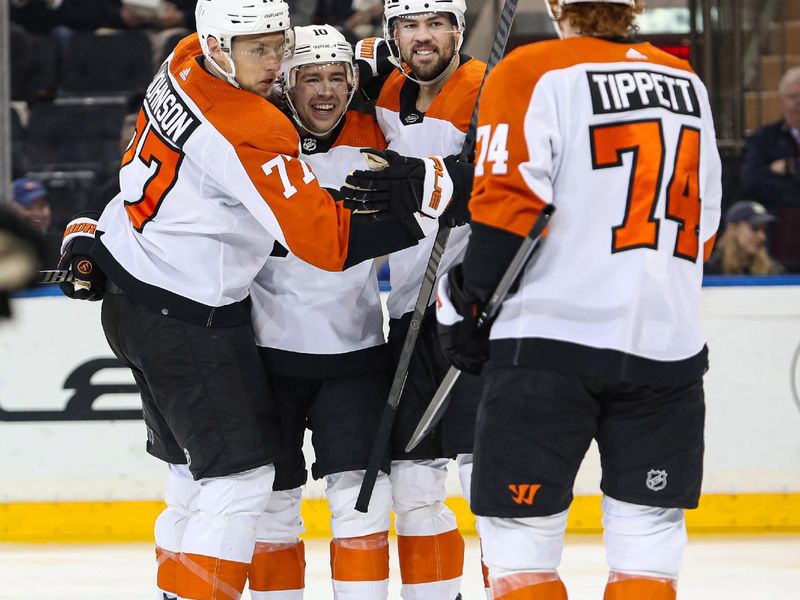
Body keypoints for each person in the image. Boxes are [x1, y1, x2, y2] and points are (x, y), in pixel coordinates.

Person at [55, 0, 457, 597]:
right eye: (263, 54)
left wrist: (92, 231)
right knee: (244, 487)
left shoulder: (183, 59)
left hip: (140, 283)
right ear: (220, 47)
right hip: (194, 317)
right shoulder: (255, 129)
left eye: (278, 46)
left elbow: (418, 73)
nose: (272, 63)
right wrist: (435, 205)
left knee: (203, 484)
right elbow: (327, 239)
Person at [436, 0, 722, 598]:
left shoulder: (530, 70)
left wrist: (467, 303)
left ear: (557, 6)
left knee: (520, 547)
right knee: (648, 541)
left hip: (548, 345)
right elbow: (705, 222)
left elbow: (511, 207)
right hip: (665, 350)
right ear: (636, 6)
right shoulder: (687, 83)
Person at [245, 24, 395, 600]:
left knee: (363, 507)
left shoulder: (379, 134)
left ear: (354, 81)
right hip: (268, 359)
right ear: (286, 82)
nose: (326, 91)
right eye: (311, 78)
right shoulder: (252, 135)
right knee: (272, 512)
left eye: (338, 77)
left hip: (355, 356)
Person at [348, 0, 487, 597]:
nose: (424, 37)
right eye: (409, 25)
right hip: (407, 311)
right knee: (413, 485)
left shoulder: (491, 90)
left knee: (489, 483)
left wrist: (468, 174)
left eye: (437, 24)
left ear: (458, 31)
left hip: (473, 313)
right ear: (390, 34)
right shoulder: (380, 88)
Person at [741, 67, 800, 271]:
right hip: (778, 241)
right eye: (793, 97)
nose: (798, 103)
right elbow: (751, 182)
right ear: (781, 100)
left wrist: (790, 168)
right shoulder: (764, 138)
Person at [704, 201, 783, 275]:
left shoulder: (773, 271)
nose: (762, 237)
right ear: (733, 229)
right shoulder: (709, 270)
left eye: (764, 230)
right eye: (754, 228)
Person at [11, 177, 61, 267]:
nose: (37, 214)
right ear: (11, 211)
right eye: (28, 207)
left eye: (42, 206)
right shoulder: (5, 251)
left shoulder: (63, 247)